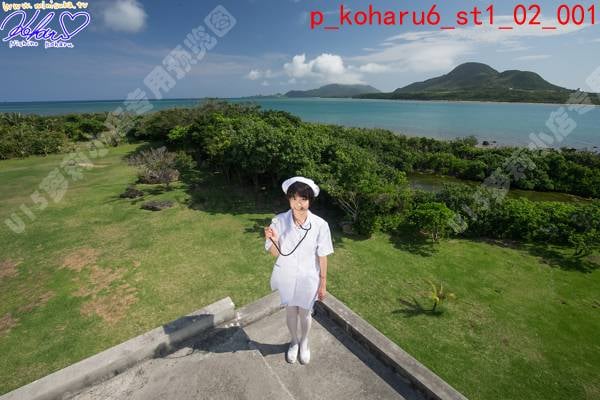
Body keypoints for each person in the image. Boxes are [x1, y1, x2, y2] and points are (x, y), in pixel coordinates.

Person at [264, 176, 334, 365]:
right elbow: (275, 254)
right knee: (290, 311)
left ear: (310, 200)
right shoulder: (279, 221)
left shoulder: (320, 225)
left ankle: (304, 342)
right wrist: (273, 240)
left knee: (304, 313)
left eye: (303, 199)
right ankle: (294, 342)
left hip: (308, 277)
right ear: (289, 199)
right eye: (294, 198)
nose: (298, 204)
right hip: (286, 275)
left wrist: (323, 283)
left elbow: (323, 255)